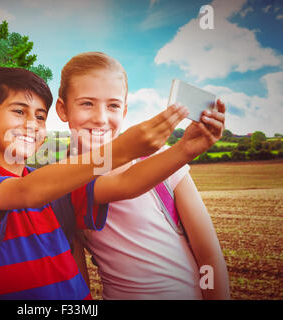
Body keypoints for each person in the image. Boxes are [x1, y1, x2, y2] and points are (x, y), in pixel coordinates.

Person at [0, 67, 214, 300]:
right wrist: (120, 150)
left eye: (40, 116)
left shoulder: (59, 181)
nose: (32, 124)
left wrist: (185, 150)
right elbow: (27, 192)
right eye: (19, 111)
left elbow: (126, 183)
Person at [55, 51, 230, 300]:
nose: (101, 118)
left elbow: (209, 255)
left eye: (113, 105)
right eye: (87, 103)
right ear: (63, 109)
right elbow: (77, 275)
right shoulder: (60, 181)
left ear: (124, 111)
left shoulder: (164, 161)